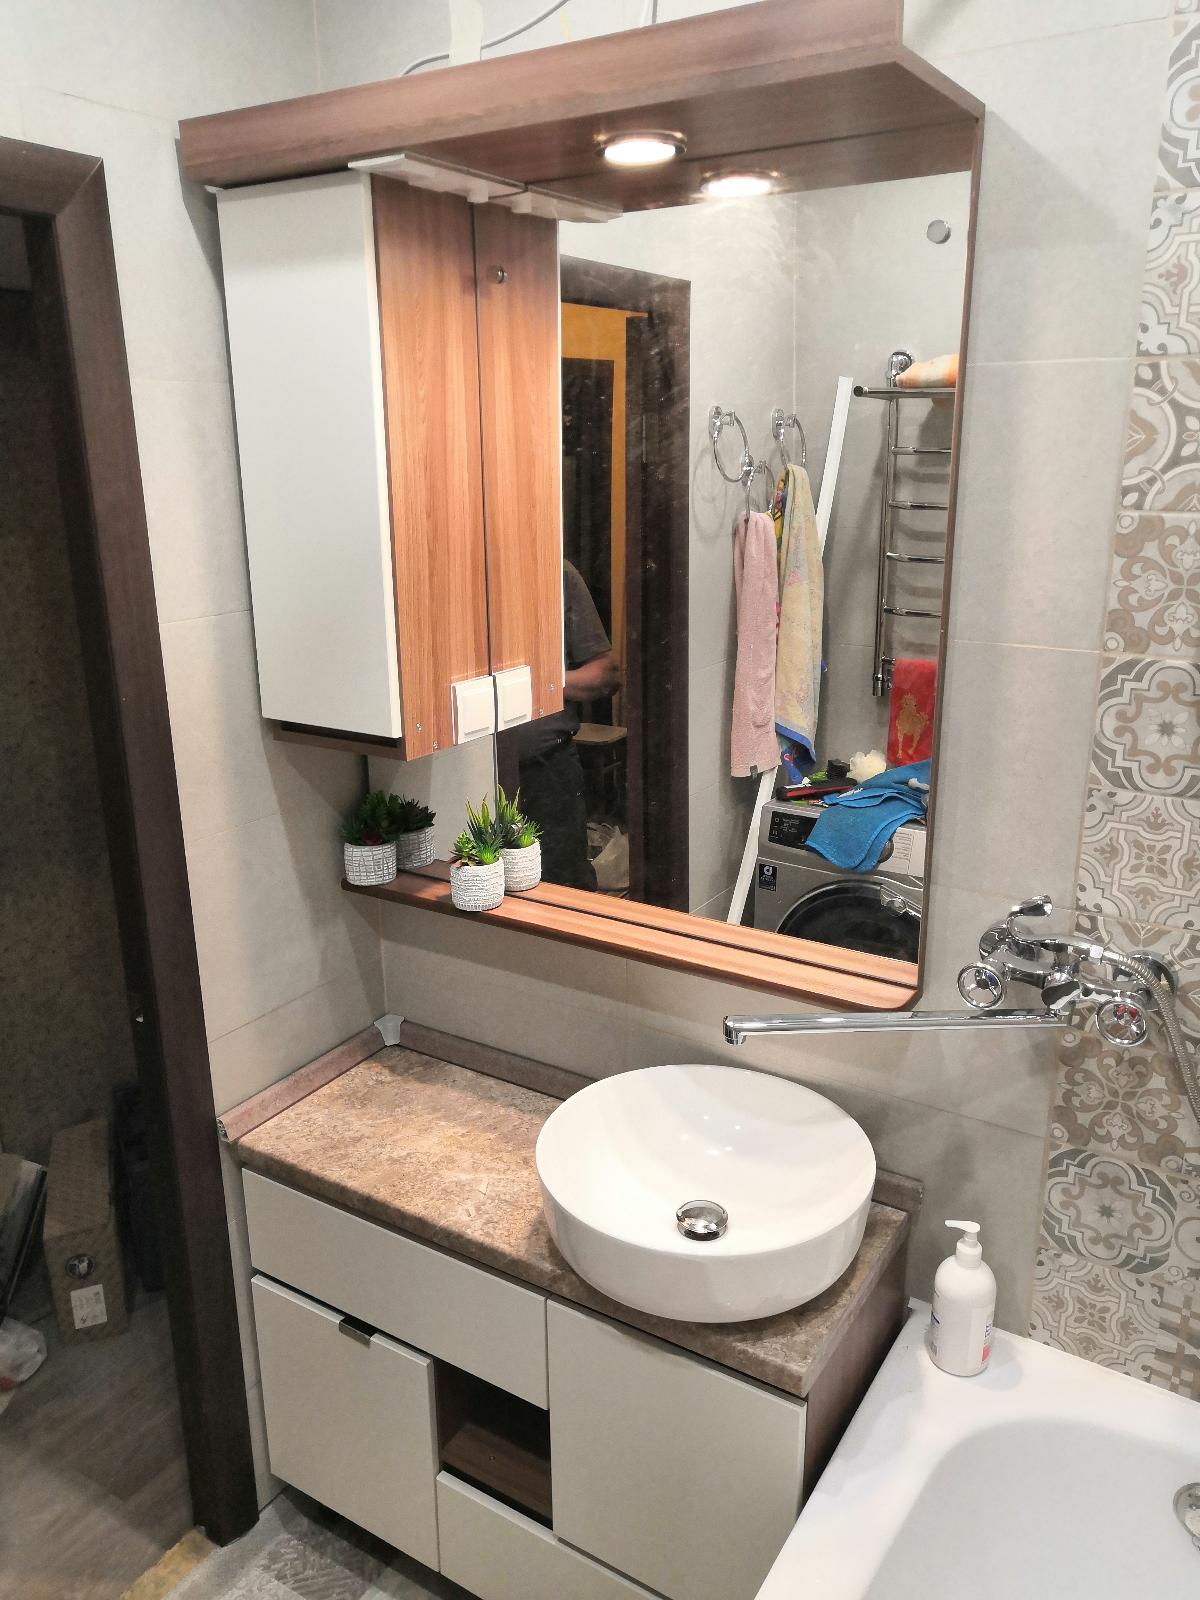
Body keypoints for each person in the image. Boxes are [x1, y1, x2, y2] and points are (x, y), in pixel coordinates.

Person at [516, 561, 620, 889]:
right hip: (467, 768)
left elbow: (605, 674)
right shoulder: (452, 574)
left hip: (547, 768)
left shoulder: (554, 571)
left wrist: (534, 683)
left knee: (564, 886)